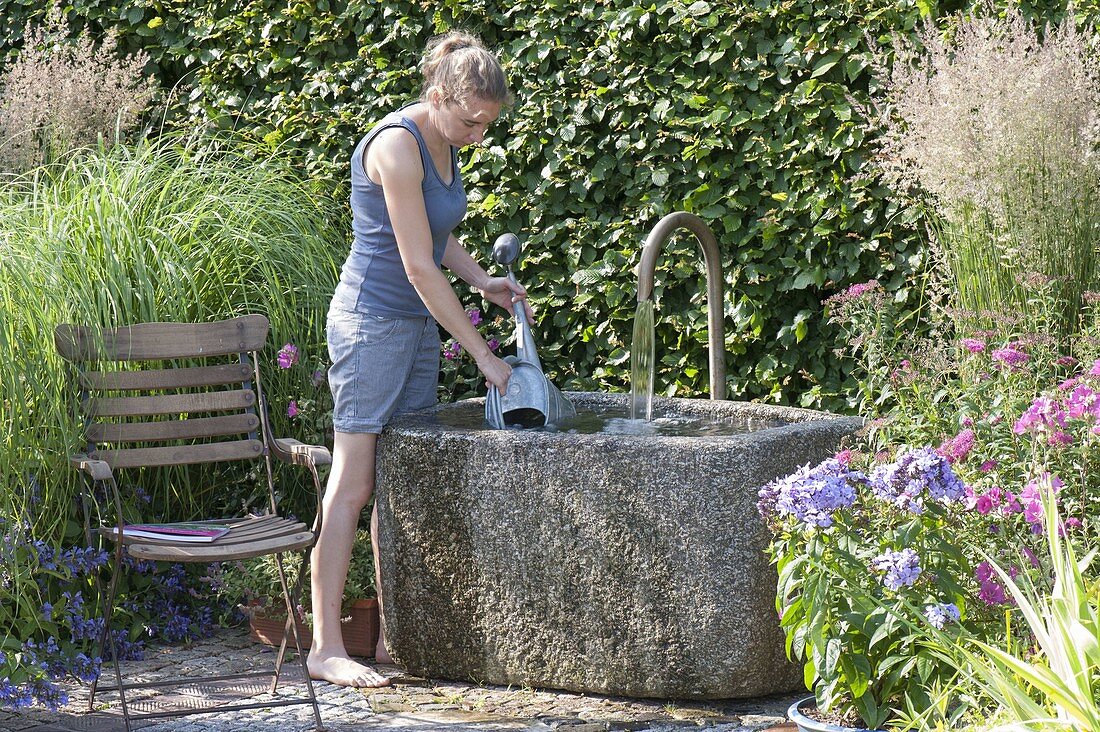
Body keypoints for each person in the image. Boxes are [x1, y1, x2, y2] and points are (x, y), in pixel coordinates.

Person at [306, 30, 531, 689]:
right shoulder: (397, 146)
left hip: (410, 331)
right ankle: (325, 647)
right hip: (371, 326)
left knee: (397, 483)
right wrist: (487, 358)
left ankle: (390, 641)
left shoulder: (444, 142)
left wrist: (484, 279)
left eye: (489, 124)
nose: (479, 136)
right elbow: (415, 266)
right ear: (438, 96)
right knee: (353, 483)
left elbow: (438, 236)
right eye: (471, 121)